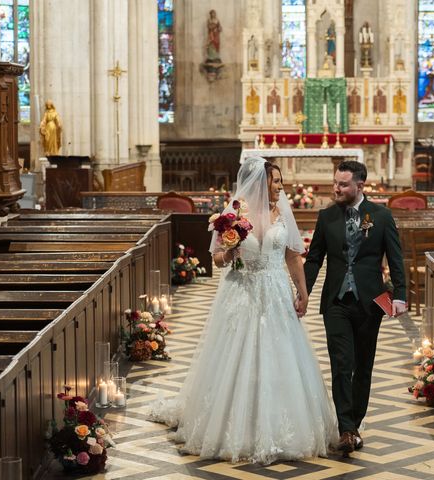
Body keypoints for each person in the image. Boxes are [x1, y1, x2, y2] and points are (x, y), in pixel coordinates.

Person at [150, 156, 336, 464]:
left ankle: (281, 424)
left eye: (281, 182)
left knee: (281, 355)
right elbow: (218, 260)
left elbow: (293, 257)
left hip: (276, 292)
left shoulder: (282, 214)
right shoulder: (233, 213)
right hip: (242, 293)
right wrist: (232, 250)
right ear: (262, 183)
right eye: (276, 182)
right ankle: (233, 424)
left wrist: (303, 292)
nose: (281, 187)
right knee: (236, 355)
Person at [304, 160, 407, 456]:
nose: (336, 188)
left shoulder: (381, 216)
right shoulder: (326, 217)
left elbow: (395, 258)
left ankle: (355, 423)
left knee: (363, 366)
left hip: (369, 302)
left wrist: (399, 294)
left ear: (360, 186)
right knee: (341, 363)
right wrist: (303, 292)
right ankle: (345, 428)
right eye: (335, 183)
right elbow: (314, 259)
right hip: (336, 301)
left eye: (343, 184)